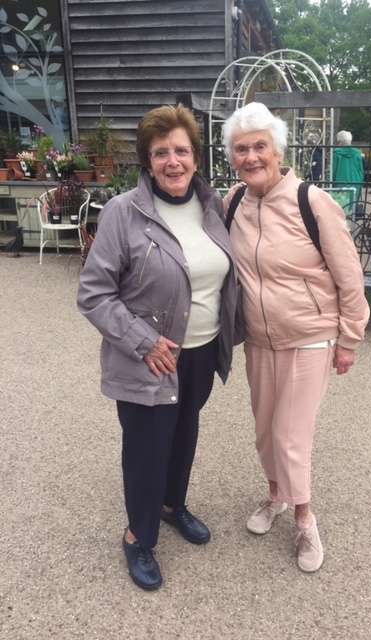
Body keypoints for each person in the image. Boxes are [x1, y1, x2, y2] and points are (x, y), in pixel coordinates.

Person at [77, 104, 237, 590]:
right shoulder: (124, 212)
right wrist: (143, 341)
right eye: (160, 152)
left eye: (181, 151)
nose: (173, 161)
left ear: (196, 157)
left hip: (202, 351)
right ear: (147, 161)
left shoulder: (212, 207)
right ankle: (137, 536)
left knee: (183, 435)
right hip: (151, 357)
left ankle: (171, 505)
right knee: (147, 448)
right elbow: (94, 294)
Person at [221, 102, 369, 573]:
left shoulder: (312, 200)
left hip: (310, 335)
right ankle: (275, 496)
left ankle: (305, 518)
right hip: (259, 338)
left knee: (290, 434)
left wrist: (349, 338)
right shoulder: (232, 203)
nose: (251, 156)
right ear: (232, 157)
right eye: (241, 149)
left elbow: (349, 275)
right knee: (266, 431)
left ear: (278, 151)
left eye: (260, 146)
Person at [332, 130, 365, 211]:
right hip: (355, 182)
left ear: (340, 141)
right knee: (351, 206)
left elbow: (333, 170)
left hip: (341, 183)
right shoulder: (357, 153)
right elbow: (361, 170)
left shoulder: (336, 153)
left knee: (340, 208)